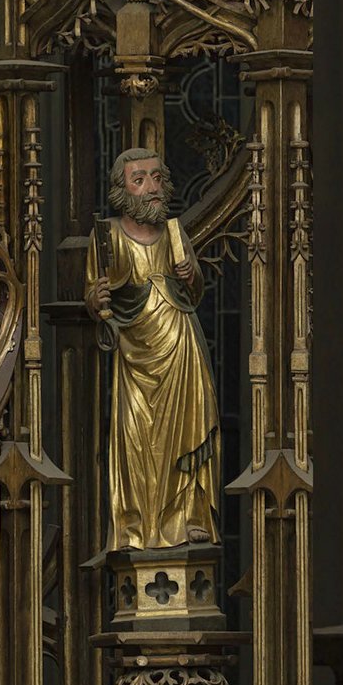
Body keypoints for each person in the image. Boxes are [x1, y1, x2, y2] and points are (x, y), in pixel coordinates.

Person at [85, 147, 221, 551]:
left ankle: (189, 516)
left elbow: (195, 292)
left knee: (186, 431)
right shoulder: (107, 236)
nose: (151, 188)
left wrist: (191, 275)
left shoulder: (175, 234)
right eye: (139, 179)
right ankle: (133, 526)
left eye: (157, 178)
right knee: (135, 438)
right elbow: (95, 296)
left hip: (181, 350)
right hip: (134, 353)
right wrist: (96, 299)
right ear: (122, 190)